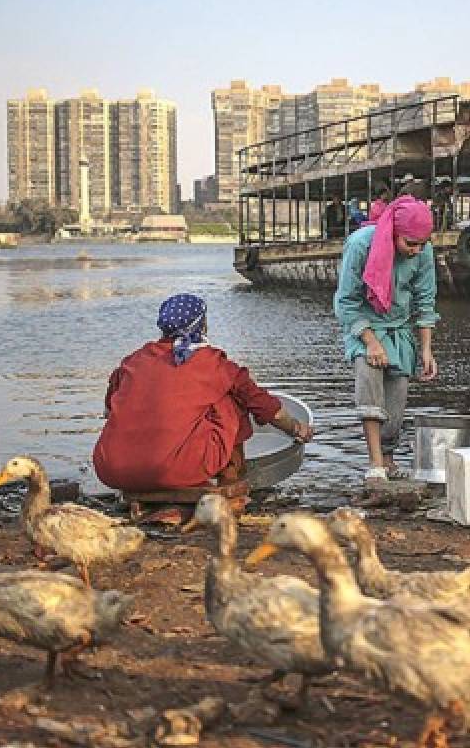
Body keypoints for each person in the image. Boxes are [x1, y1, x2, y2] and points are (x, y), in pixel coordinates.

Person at [92, 293, 313, 514]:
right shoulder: (215, 364)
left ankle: (142, 476)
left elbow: (110, 412)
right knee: (232, 401)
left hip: (112, 468)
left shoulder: (132, 362)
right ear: (202, 325)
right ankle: (230, 479)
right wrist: (297, 428)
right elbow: (268, 409)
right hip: (171, 471)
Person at [333, 195, 439, 486]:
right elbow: (346, 302)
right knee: (370, 391)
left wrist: (427, 350)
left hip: (399, 328)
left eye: (421, 244)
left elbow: (425, 300)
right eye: (410, 244)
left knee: (396, 401)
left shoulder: (423, 251)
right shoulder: (360, 245)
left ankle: (389, 459)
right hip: (364, 326)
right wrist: (370, 342)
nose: (416, 250)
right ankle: (375, 462)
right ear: (393, 232)